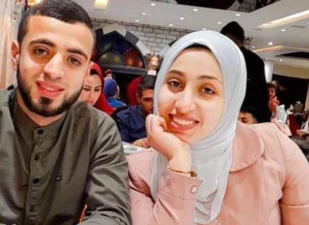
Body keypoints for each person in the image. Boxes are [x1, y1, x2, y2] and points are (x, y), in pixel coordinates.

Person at [0, 0, 130, 225]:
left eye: (73, 60)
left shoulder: (99, 130)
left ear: (85, 71)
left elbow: (112, 216)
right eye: (41, 51)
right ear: (16, 54)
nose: (54, 71)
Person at [126, 31, 309, 224]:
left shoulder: (276, 150)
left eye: (207, 90)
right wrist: (179, 164)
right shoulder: (139, 172)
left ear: (231, 99)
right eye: (174, 83)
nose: (183, 105)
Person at [221, 21, 271, 123]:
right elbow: (262, 95)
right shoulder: (255, 60)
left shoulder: (253, 62)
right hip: (239, 116)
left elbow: (260, 94)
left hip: (241, 117)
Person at [115, 75, 156, 144]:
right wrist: (134, 144)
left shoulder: (169, 117)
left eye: (157, 99)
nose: (153, 105)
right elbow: (120, 148)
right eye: (147, 100)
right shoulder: (125, 118)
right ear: (138, 99)